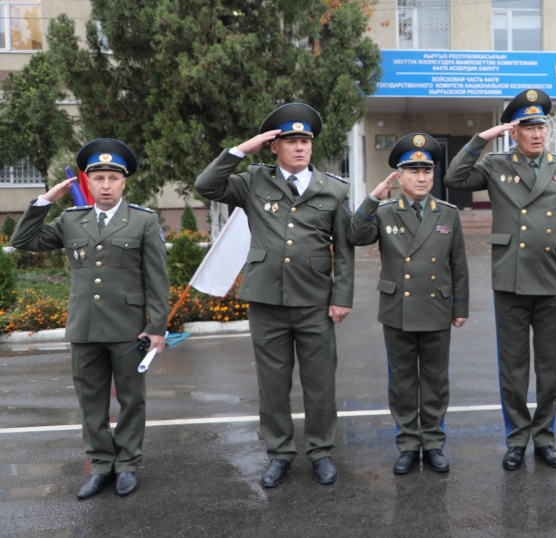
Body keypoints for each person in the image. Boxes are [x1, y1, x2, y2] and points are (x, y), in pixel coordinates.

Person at [195, 103, 354, 487]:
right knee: (272, 384)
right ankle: (280, 453)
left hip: (315, 300)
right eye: (290, 141)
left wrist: (342, 296)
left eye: (305, 141)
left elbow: (345, 249)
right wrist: (240, 150)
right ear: (274, 147)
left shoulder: (333, 188)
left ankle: (321, 452)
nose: (299, 148)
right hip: (266, 299)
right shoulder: (253, 182)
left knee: (320, 383)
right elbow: (206, 185)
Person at [11, 139, 169, 499]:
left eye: (113, 177)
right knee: (91, 402)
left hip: (130, 329)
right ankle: (101, 466)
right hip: (84, 327)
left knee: (131, 400)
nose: (106, 185)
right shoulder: (71, 220)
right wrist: (45, 201)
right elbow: (23, 240)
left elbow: (158, 279)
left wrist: (156, 327)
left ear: (124, 182)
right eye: (98, 178)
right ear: (88, 183)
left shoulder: (143, 221)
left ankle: (127, 464)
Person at [443, 88, 556, 471]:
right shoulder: (496, 165)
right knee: (513, 366)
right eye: (529, 127)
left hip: (553, 277)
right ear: (514, 132)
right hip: (510, 276)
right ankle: (517, 438)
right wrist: (482, 139)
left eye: (542, 125)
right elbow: (454, 176)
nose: (538, 133)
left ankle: (545, 437)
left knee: (551, 367)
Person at [347, 133, 469, 475]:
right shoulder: (385, 212)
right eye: (413, 171)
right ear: (398, 177)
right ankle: (407, 444)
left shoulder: (448, 214)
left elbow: (458, 264)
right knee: (402, 382)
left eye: (426, 171)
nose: (421, 178)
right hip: (397, 308)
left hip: (436, 308)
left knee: (435, 381)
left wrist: (460, 307)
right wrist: (372, 198)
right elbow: (355, 236)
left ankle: (432, 443)